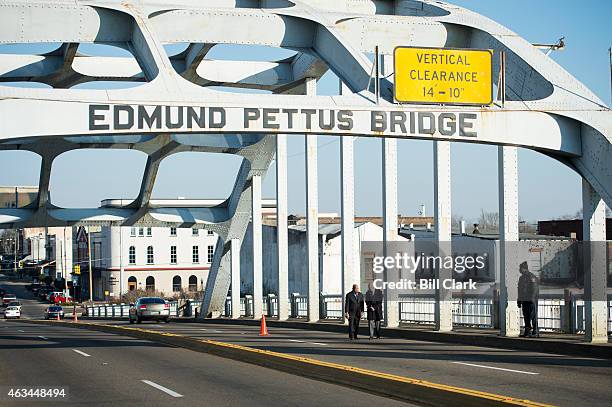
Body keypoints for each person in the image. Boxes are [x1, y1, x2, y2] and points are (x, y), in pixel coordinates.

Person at [517, 261, 539, 338]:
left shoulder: (531, 277)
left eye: (520, 268)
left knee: (533, 316)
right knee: (526, 316)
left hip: (531, 300)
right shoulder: (521, 278)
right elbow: (519, 289)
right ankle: (527, 331)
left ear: (524, 268)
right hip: (524, 300)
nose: (519, 270)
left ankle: (535, 332)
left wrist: (532, 298)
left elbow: (534, 289)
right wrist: (519, 300)